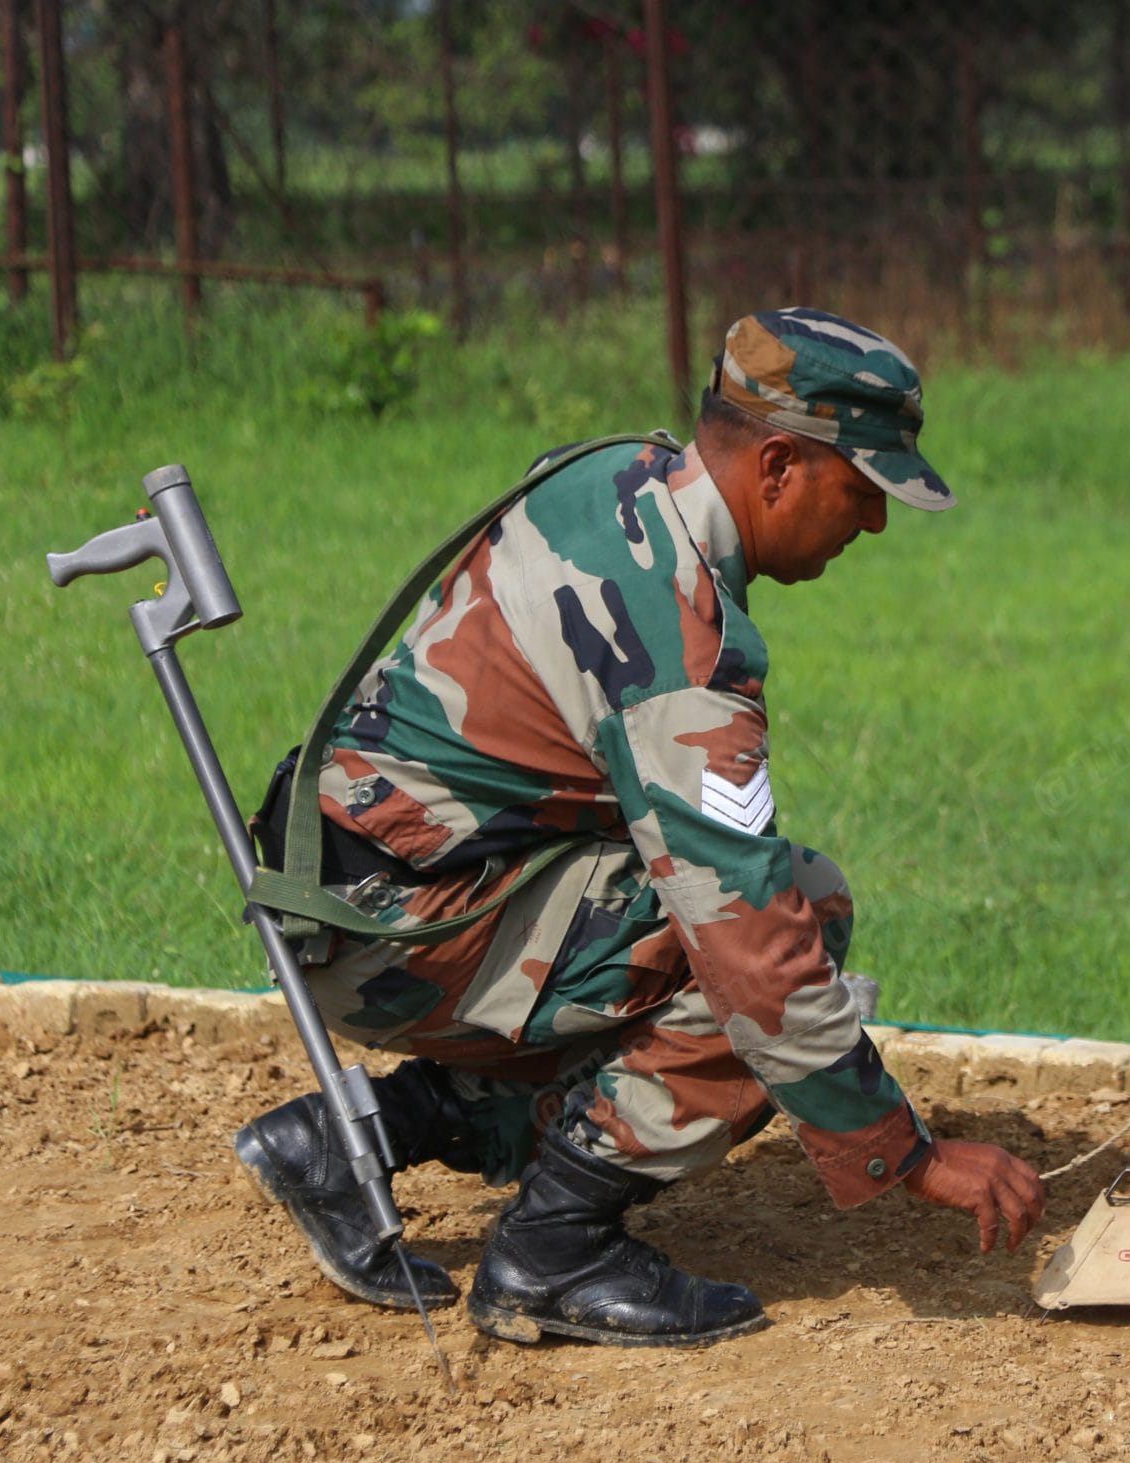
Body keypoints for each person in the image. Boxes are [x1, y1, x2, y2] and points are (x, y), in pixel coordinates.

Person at [235, 308, 1046, 1348]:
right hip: (401, 931)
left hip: (358, 887)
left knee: (688, 919)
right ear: (780, 466)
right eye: (862, 490)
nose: (874, 525)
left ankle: (351, 1139)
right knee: (793, 913)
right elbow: (754, 941)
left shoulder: (613, 473)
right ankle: (553, 1249)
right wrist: (912, 1155)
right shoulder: (683, 647)